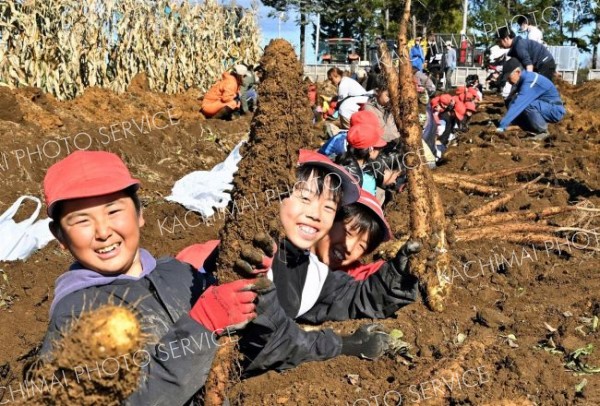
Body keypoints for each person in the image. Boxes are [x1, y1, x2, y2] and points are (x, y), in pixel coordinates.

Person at [39, 151, 265, 405]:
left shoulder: (179, 274)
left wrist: (257, 288)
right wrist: (201, 327)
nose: (103, 232)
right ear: (60, 237)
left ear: (139, 213)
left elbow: (260, 349)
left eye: (113, 212)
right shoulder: (74, 317)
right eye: (81, 221)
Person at [496, 59, 565, 141]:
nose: (508, 81)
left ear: (517, 72)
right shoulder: (523, 80)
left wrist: (502, 125)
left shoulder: (530, 81)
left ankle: (542, 132)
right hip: (544, 107)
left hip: (555, 110)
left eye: (509, 77)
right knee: (512, 101)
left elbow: (519, 103)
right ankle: (533, 129)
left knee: (526, 104)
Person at [336, 124, 387, 195]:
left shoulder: (340, 159)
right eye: (378, 147)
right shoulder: (366, 180)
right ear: (371, 150)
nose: (379, 150)